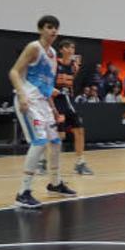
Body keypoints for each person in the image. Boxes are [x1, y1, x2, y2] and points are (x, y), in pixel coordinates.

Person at [9, 16, 77, 208]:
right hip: (28, 100)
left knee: (55, 141)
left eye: (56, 28)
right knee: (39, 142)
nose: (53, 31)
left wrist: (54, 109)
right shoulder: (34, 47)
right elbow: (13, 72)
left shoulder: (53, 53)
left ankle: (55, 184)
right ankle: (23, 192)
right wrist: (22, 95)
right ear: (40, 29)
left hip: (43, 103)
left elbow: (47, 86)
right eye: (49, 27)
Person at [54, 40, 93, 176]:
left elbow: (71, 82)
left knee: (80, 130)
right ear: (61, 50)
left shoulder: (74, 66)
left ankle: (80, 163)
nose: (71, 50)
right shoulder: (54, 63)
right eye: (68, 48)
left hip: (68, 102)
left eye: (73, 48)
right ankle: (43, 162)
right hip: (55, 102)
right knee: (58, 135)